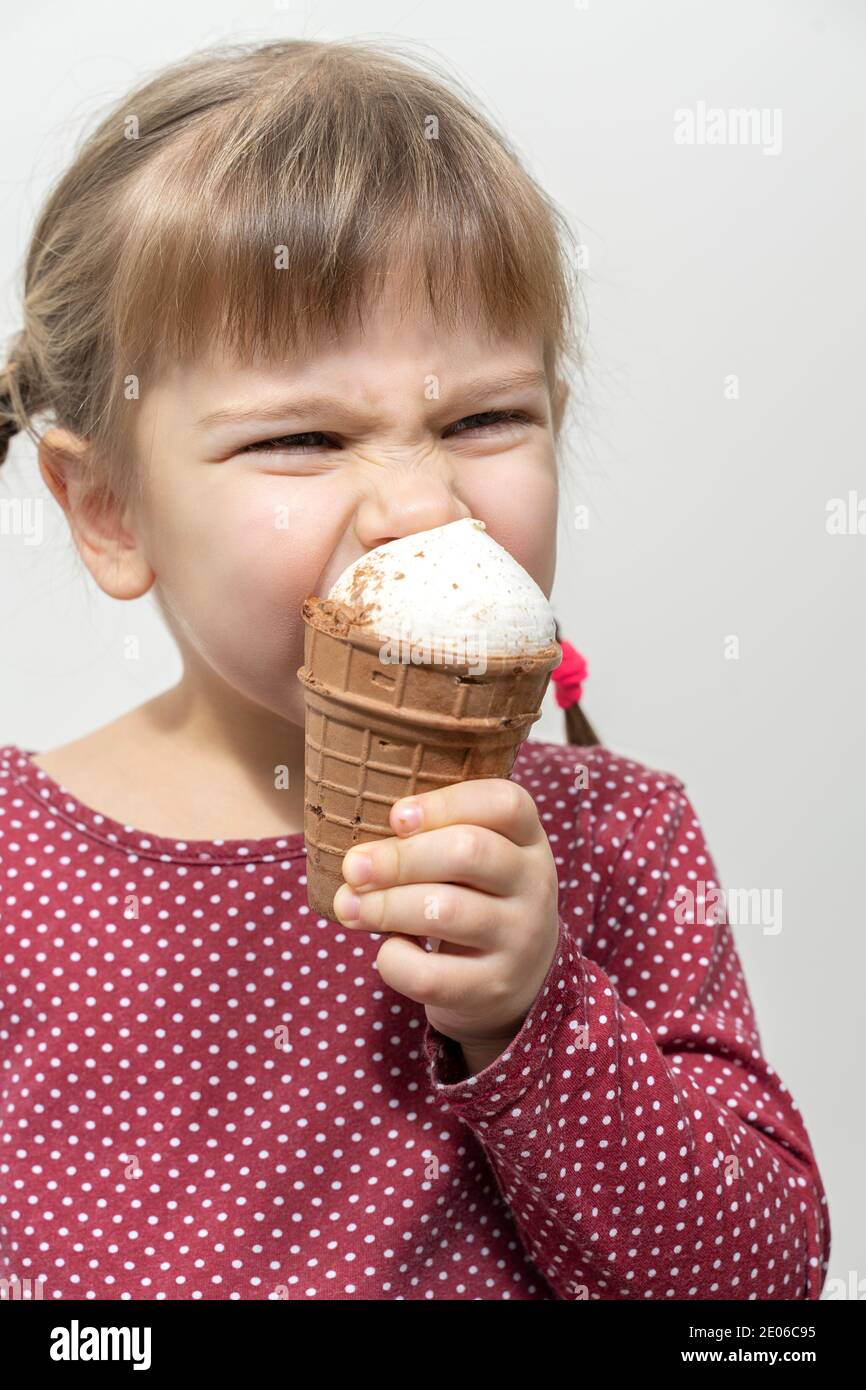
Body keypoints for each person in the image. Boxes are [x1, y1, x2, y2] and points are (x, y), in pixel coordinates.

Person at [0, 37, 829, 1301]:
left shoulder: (614, 840)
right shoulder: (19, 860)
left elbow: (757, 1291)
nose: (423, 503)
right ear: (108, 505)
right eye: (301, 436)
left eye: (483, 418)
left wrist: (535, 1014)